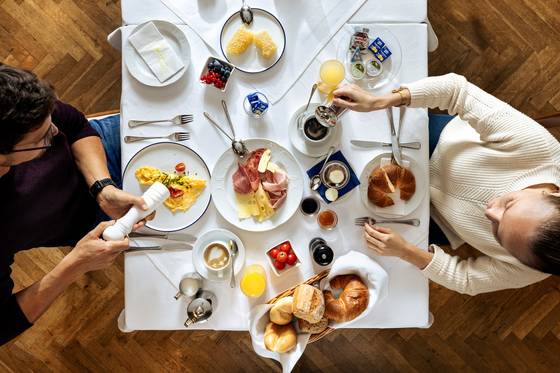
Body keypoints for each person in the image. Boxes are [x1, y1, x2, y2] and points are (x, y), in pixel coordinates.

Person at [333, 73, 560, 295]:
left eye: (498, 233)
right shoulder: (541, 150)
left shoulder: (529, 268)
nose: (490, 211)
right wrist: (380, 101)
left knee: (349, 234)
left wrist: (405, 251)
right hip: (435, 144)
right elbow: (456, 92)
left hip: (438, 219)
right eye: (509, 204)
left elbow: (466, 280)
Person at [0, 64, 147, 345]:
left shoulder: (13, 98)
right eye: (41, 138)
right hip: (88, 225)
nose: (55, 133)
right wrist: (74, 265)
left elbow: (76, 125)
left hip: (98, 155)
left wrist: (102, 187)